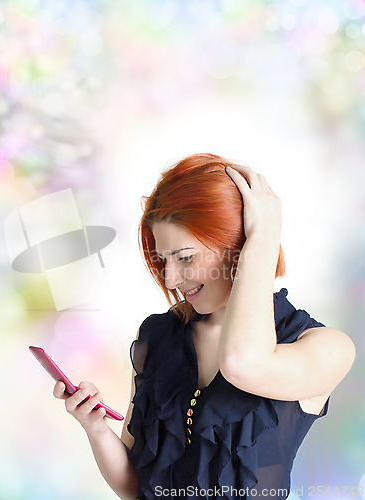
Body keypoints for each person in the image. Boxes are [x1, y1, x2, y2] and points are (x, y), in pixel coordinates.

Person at [53, 153, 356, 500]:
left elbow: (244, 364)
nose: (170, 277)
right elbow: (136, 488)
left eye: (184, 257)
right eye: (163, 260)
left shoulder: (326, 347)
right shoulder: (158, 337)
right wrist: (94, 428)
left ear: (238, 242)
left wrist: (263, 240)